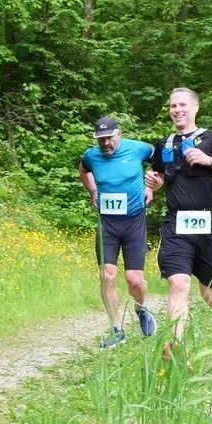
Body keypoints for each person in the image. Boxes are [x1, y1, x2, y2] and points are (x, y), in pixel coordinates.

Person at [144, 88, 212, 359]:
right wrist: (154, 186)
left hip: (209, 225)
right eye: (173, 105)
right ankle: (175, 348)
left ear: (195, 108)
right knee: (178, 284)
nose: (177, 110)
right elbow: (159, 175)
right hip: (176, 224)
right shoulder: (164, 143)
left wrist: (210, 161)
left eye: (183, 105)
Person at [78, 116, 158, 348]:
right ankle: (116, 330)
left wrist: (152, 186)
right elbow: (83, 170)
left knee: (134, 280)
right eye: (101, 140)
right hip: (108, 224)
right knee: (107, 275)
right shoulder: (91, 156)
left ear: (118, 134)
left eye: (109, 138)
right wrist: (92, 190)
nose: (105, 144)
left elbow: (160, 164)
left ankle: (142, 308)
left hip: (133, 222)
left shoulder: (139, 149)